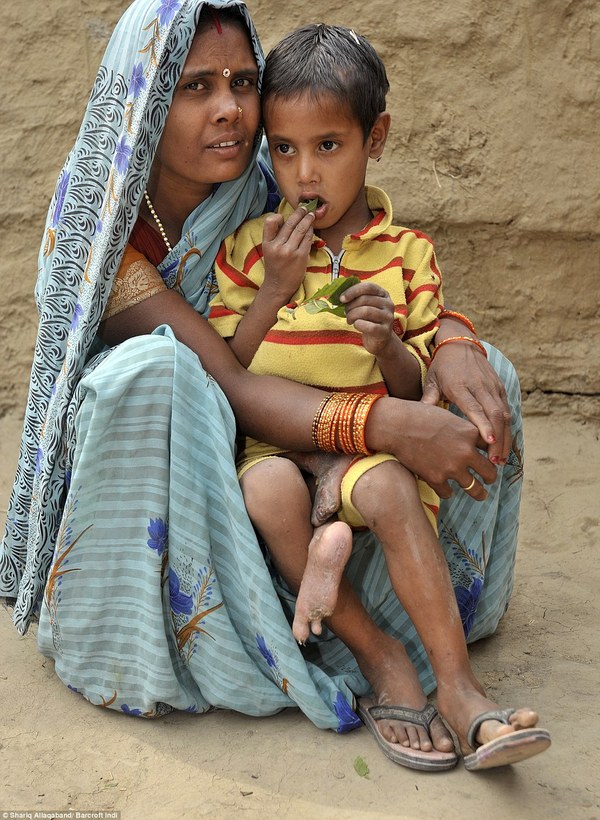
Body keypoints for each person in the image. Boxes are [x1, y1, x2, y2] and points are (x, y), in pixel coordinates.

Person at [0, 0, 547, 773]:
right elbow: (223, 379)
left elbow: (388, 271)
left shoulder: (277, 179)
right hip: (184, 448)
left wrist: (451, 339)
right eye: (194, 87)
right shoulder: (102, 225)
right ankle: (283, 633)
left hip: (308, 424)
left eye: (242, 81)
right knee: (157, 371)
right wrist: (386, 425)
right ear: (147, 99)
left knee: (492, 369)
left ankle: (438, 655)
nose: (229, 109)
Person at [208, 23, 551, 771]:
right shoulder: (248, 248)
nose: (304, 175)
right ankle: (378, 652)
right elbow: (229, 370)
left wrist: (388, 345)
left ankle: (460, 691)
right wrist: (272, 288)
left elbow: (413, 388)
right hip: (277, 448)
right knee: (267, 491)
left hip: (367, 452)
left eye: (328, 146)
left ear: (376, 137)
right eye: (285, 148)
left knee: (393, 489)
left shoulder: (407, 254)